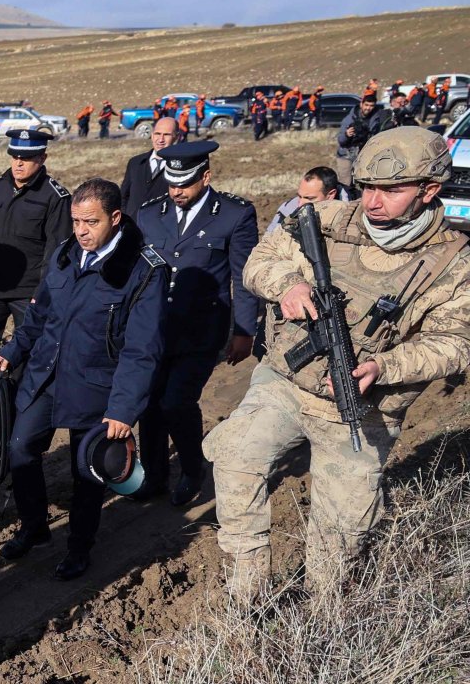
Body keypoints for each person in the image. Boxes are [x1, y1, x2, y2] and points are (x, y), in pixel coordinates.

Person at [208, 127, 470, 601]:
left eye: (392, 190)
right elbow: (258, 261)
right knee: (234, 456)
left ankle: (325, 616)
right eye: (368, 186)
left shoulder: (452, 262)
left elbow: (456, 343)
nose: (372, 202)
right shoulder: (327, 218)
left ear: (430, 190)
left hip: (361, 409)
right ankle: (247, 588)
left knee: (342, 527)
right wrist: (287, 284)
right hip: (284, 384)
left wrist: (384, 367)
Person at [0, 179, 166, 579]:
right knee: (20, 450)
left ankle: (79, 547)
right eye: (75, 221)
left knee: (85, 470)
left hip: (95, 384)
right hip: (47, 374)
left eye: (90, 222)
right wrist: (13, 350)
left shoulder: (142, 271)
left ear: (115, 218)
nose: (81, 231)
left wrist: (123, 409)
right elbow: (39, 313)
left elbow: (142, 350)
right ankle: (34, 527)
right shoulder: (65, 254)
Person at [132, 141, 260, 506]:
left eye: (184, 184)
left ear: (205, 176)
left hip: (202, 330)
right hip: (155, 329)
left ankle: (192, 470)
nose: (176, 192)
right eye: (171, 185)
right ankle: (154, 476)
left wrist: (244, 331)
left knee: (176, 401)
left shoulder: (234, 215)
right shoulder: (149, 215)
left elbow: (244, 276)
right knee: (150, 403)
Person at [0, 130, 72, 410]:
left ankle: (19, 401)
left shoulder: (54, 197)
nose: (19, 163)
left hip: (29, 290)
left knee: (27, 349)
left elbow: (56, 252)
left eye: (27, 158)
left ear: (42, 158)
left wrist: (43, 294)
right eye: (15, 156)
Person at [120, 117, 176, 217]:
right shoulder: (135, 163)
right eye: (157, 134)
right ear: (152, 135)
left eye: (166, 135)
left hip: (161, 229)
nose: (161, 139)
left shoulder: (179, 167)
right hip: (133, 228)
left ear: (176, 137)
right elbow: (123, 196)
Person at [267, 166, 350, 233]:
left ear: (330, 195)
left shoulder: (354, 209)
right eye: (299, 196)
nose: (300, 204)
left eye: (309, 198)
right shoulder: (288, 210)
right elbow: (267, 243)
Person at [335, 94, 381, 185]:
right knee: (345, 183)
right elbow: (341, 141)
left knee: (364, 184)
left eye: (371, 106)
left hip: (365, 155)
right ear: (361, 104)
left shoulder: (376, 119)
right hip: (346, 155)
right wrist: (347, 134)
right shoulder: (349, 119)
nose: (368, 108)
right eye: (366, 105)